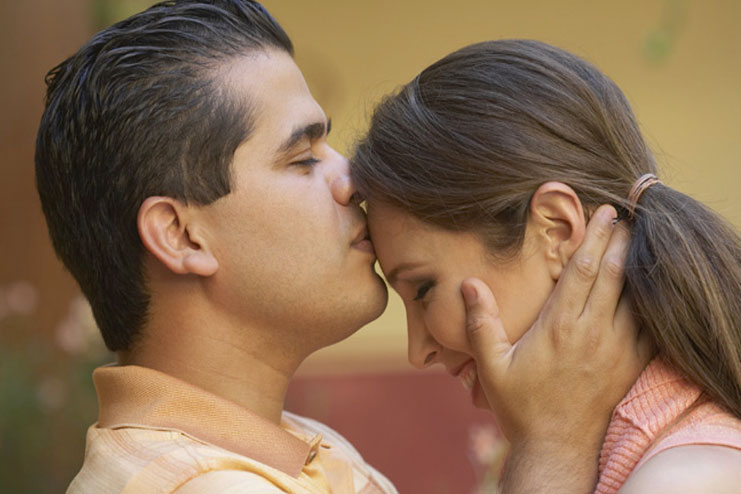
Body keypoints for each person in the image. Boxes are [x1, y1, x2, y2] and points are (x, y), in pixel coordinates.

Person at [35, 2, 645, 492]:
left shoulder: (300, 449)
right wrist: (551, 446)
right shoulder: (197, 485)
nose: (351, 178)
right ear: (182, 234)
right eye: (303, 159)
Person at [352, 39, 741, 493]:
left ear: (555, 229)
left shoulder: (683, 482)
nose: (418, 352)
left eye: (422, 289)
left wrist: (549, 451)